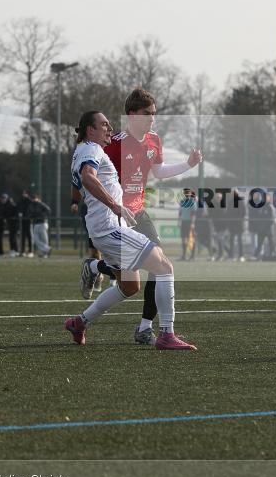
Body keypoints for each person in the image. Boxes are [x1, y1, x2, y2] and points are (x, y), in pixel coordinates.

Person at [76, 87, 202, 345]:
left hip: (138, 214)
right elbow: (88, 174)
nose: (152, 118)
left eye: (154, 113)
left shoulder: (154, 140)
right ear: (132, 115)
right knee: (132, 283)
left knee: (158, 267)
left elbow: (157, 172)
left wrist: (187, 165)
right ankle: (96, 270)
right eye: (147, 113)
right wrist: (84, 202)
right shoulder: (114, 144)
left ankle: (145, 327)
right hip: (118, 217)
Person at [27, 193, 52, 257]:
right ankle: (47, 249)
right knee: (36, 239)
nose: (33, 199)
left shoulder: (41, 204)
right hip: (35, 224)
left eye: (34, 198)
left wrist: (41, 216)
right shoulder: (30, 205)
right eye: (32, 198)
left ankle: (45, 254)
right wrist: (32, 216)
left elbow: (48, 210)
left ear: (37, 198)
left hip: (42, 223)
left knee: (44, 239)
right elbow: (29, 214)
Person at [178, 189, 197, 261]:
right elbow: (180, 212)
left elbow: (193, 214)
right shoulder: (182, 202)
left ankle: (192, 256)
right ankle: (184, 255)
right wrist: (179, 221)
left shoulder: (192, 202)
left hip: (189, 222)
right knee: (183, 239)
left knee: (191, 239)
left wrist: (192, 223)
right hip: (183, 222)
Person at [18, 190, 33, 257]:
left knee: (29, 236)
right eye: (23, 193)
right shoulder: (20, 201)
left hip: (28, 221)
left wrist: (29, 216)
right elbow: (18, 209)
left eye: (25, 194)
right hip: (22, 221)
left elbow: (31, 210)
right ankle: (22, 251)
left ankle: (30, 251)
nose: (23, 195)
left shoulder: (29, 201)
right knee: (22, 237)